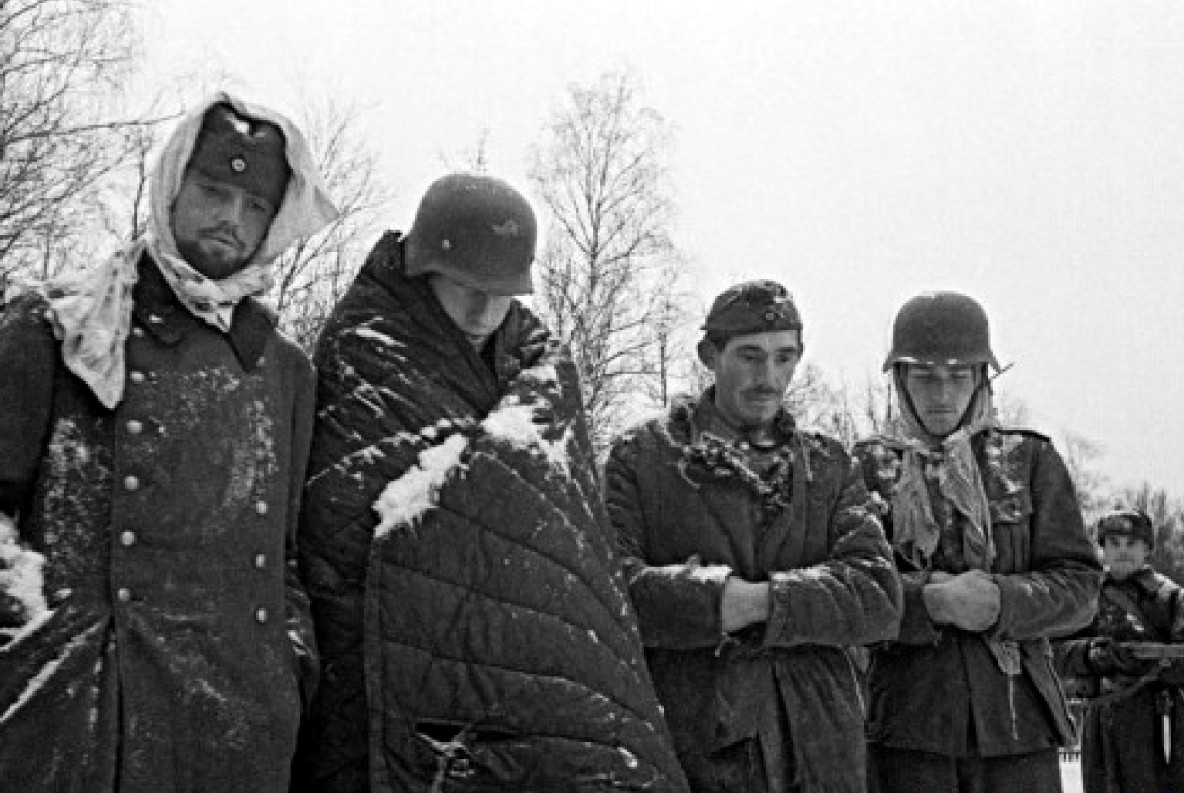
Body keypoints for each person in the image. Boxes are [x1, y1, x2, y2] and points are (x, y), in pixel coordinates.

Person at [292, 172, 689, 792]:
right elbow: (335, 532)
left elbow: (573, 548)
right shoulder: (364, 352)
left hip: (518, 675)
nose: (482, 310)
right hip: (380, 673)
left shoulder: (543, 370)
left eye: (501, 292)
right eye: (465, 286)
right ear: (422, 269)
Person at [0, 92, 338, 791]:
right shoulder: (61, 325)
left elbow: (285, 555)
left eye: (253, 206)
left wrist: (286, 663)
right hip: (78, 717)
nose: (231, 219)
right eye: (214, 191)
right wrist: (31, 633)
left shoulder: (284, 370)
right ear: (173, 186)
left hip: (232, 724)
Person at [604, 279, 903, 793]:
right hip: (693, 741)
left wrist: (761, 602)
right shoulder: (644, 458)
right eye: (749, 356)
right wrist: (714, 602)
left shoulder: (829, 465)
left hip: (820, 746)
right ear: (709, 355)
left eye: (784, 358)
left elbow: (877, 596)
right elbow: (612, 590)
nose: (769, 377)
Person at [852, 290, 1103, 793]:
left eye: (958, 376)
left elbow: (1080, 591)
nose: (942, 394)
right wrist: (931, 603)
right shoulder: (864, 470)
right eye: (925, 377)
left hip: (1017, 727)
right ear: (901, 381)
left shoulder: (1028, 461)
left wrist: (1001, 602)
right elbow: (850, 597)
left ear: (981, 380)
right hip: (904, 728)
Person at [1056, 508, 1184, 793]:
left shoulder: (1172, 598)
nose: (1123, 552)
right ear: (1103, 549)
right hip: (1102, 720)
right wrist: (1094, 654)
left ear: (1147, 549)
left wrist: (1149, 663)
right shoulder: (1086, 600)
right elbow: (1056, 654)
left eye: (1132, 544)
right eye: (1114, 544)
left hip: (1163, 721)